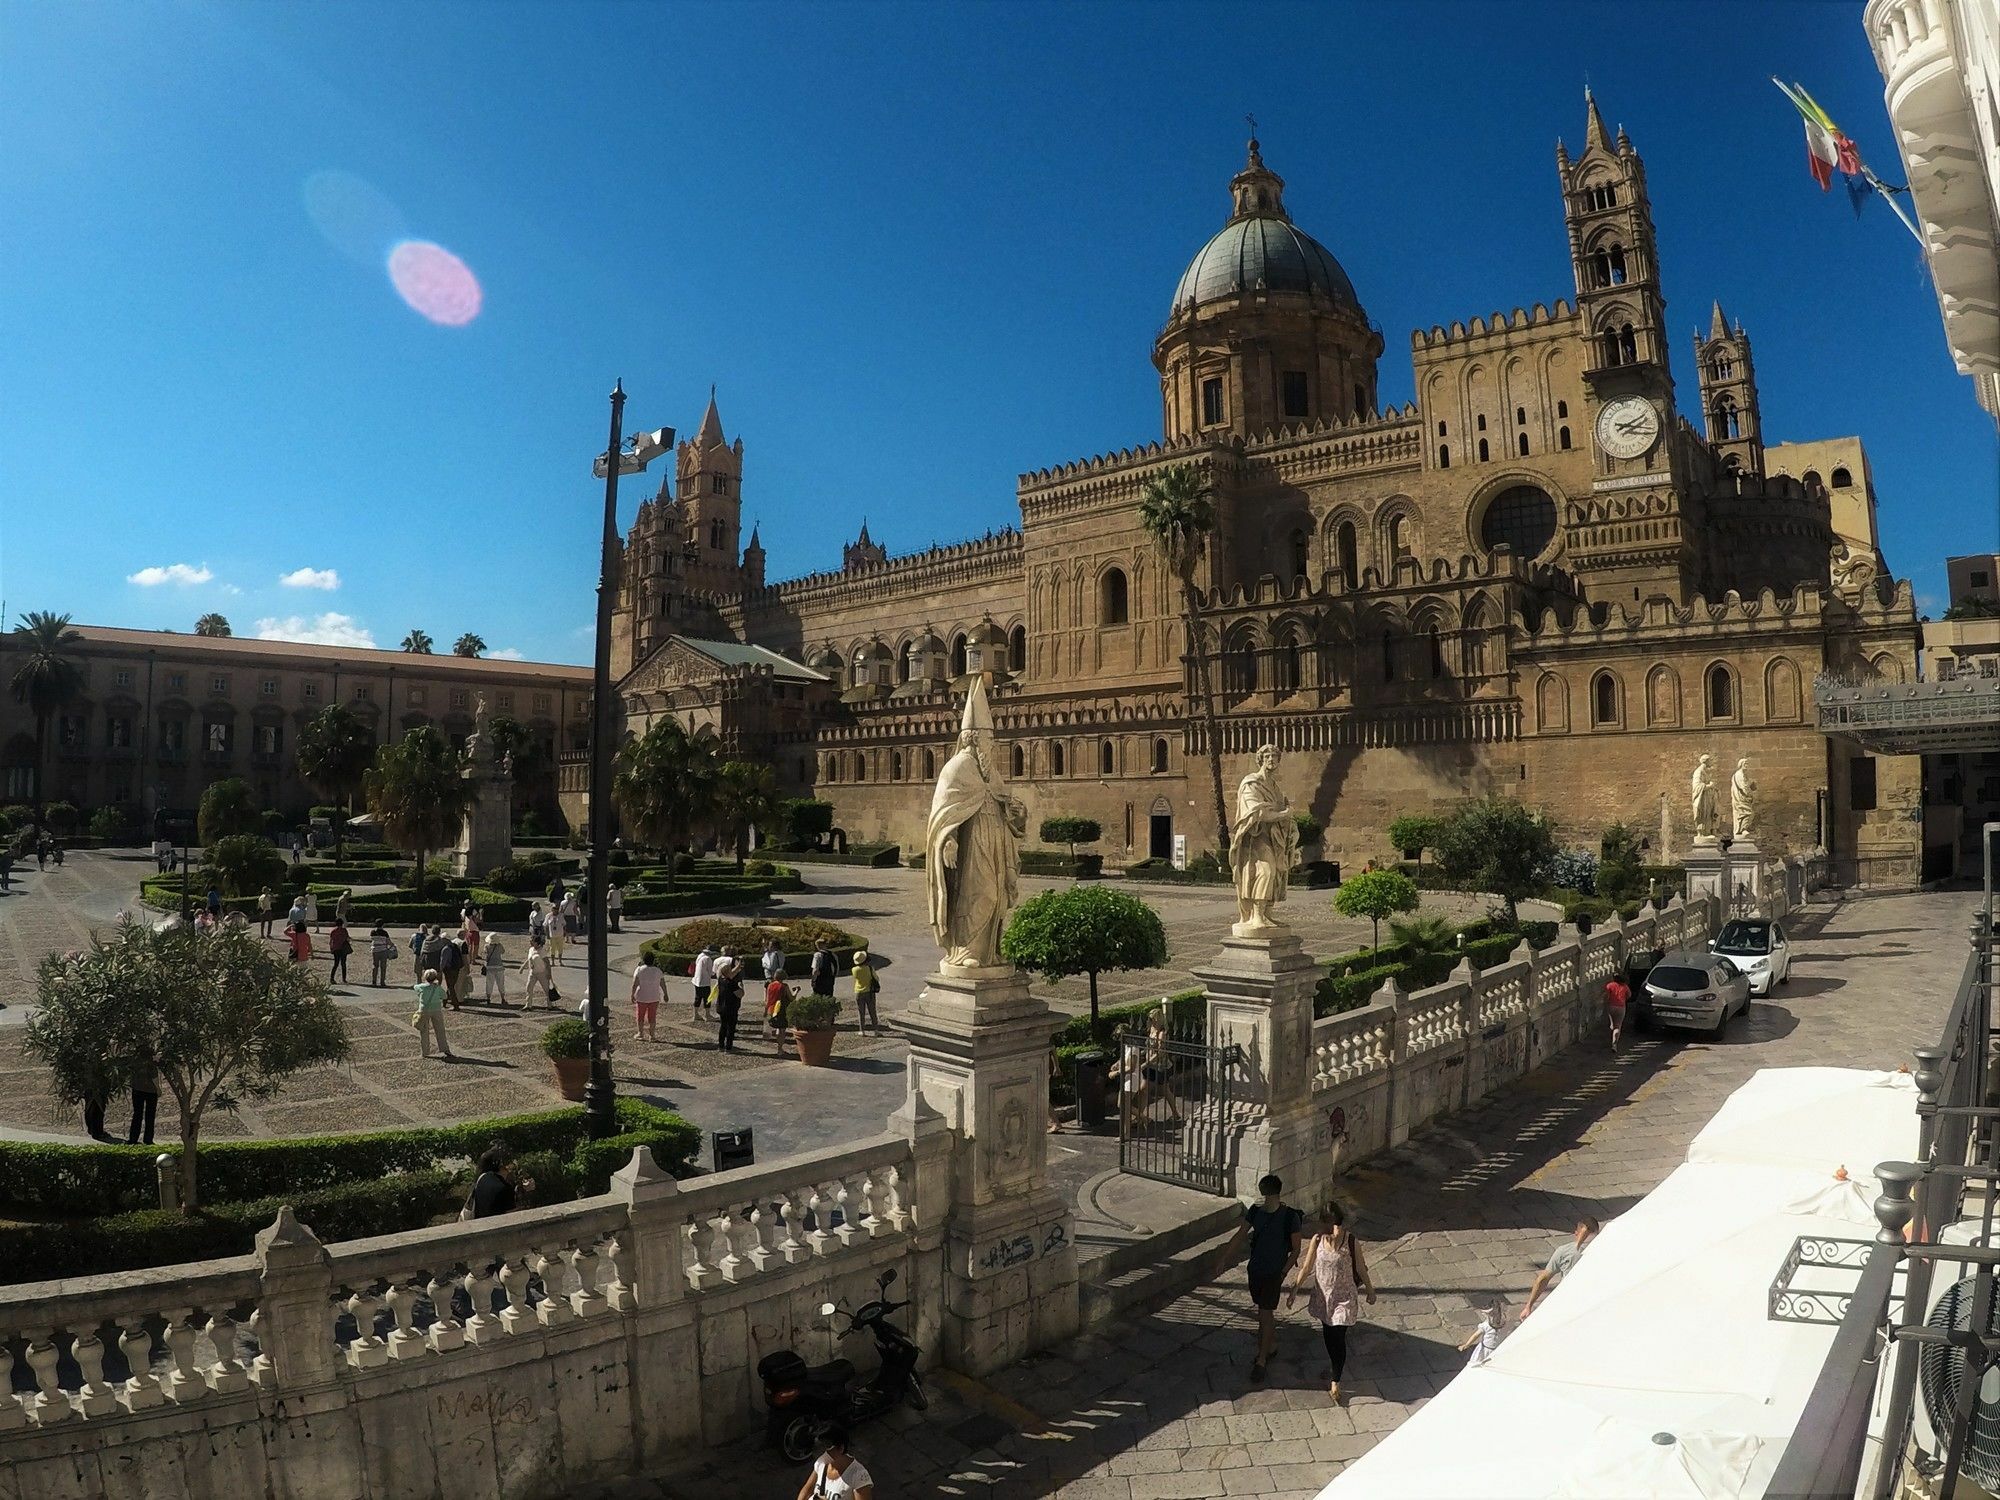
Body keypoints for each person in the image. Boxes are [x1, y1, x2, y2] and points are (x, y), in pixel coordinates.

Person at [1212, 1173, 1305, 1383]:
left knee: (1265, 1313)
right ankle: (1270, 1346)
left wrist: (1283, 1272)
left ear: (1267, 1192)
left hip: (1273, 1272)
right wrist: (1224, 1258)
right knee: (1263, 1313)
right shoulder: (1255, 1212)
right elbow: (1240, 1235)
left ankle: (1261, 1360)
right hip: (1256, 1270)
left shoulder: (1291, 1217)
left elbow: (1296, 1249)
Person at [1286, 1201, 1376, 1400]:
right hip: (1324, 1298)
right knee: (1329, 1336)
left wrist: (1370, 1291)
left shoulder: (1351, 1241)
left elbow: (1361, 1268)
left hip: (1344, 1298)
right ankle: (1335, 1366)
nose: (1331, 1229)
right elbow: (1307, 1267)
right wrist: (1294, 1290)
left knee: (1339, 1336)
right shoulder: (1317, 1240)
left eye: (1334, 1224)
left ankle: (1336, 1379)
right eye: (1327, 1224)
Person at [1521, 1216, 1599, 1319]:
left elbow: (1543, 1279)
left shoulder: (1564, 1251)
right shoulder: (1601, 1252)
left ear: (1576, 1232)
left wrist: (1528, 1306)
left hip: (1568, 1302)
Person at [796, 1427, 873, 1500]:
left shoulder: (858, 1476)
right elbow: (808, 1488)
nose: (821, 1453)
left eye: (826, 1448)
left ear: (841, 1448)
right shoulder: (821, 1463)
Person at [464, 1144, 533, 1219]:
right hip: (497, 1228)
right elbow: (513, 1218)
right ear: (504, 1165)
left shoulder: (483, 1178)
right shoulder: (504, 1189)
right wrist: (527, 1194)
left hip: (479, 1225)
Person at [413, 968, 453, 1060]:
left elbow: (415, 987)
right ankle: (444, 1048)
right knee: (440, 1030)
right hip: (436, 1010)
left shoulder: (421, 987)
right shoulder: (437, 988)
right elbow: (445, 996)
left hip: (424, 1010)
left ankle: (425, 1051)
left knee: (424, 1031)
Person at [1458, 1297, 1505, 1370]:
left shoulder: (1486, 1325)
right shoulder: (1503, 1322)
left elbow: (1475, 1335)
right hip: (1495, 1349)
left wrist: (1467, 1345)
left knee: (1477, 1363)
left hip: (1486, 1349)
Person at [126, 1049, 159, 1146]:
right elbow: (155, 1078)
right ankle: (148, 1139)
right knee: (150, 1116)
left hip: (137, 1090)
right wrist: (158, 1089)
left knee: (137, 1115)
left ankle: (133, 1139)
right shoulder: (151, 1064)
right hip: (151, 1091)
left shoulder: (135, 1063)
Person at [631, 954, 666, 1041]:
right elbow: (663, 984)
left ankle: (640, 1033)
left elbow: (635, 984)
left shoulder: (639, 970)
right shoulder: (658, 971)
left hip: (642, 996)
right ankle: (652, 1035)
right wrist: (665, 994)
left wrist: (632, 994)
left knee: (640, 1016)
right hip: (654, 997)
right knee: (652, 1017)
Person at [714, 952, 744, 1053]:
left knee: (723, 1026)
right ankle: (728, 1047)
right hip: (731, 1008)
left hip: (721, 1007)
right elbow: (740, 994)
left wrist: (738, 966)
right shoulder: (732, 983)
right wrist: (741, 986)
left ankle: (721, 1046)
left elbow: (730, 973)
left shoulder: (720, 979)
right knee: (731, 1028)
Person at [519, 937, 555, 1008]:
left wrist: (549, 973)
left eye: (532, 941)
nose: (530, 942)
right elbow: (529, 959)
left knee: (546, 990)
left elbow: (547, 963)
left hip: (542, 973)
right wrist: (522, 967)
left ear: (537, 943)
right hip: (533, 973)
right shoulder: (531, 949)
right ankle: (528, 1005)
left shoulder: (542, 951)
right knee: (529, 988)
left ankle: (549, 1005)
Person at [850, 949, 880, 1034]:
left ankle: (862, 1030)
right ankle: (876, 1030)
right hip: (869, 992)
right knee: (872, 1011)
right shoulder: (870, 968)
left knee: (861, 1012)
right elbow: (876, 978)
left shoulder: (854, 970)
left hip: (858, 992)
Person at [1603, 973, 1632, 1054]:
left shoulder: (1609, 985)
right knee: (1618, 1026)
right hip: (1621, 1007)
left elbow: (1606, 996)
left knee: (1612, 1023)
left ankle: (1611, 1026)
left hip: (1611, 1006)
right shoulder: (1625, 986)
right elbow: (1629, 995)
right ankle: (1614, 1044)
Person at [437, 930, 465, 1010]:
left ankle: (455, 1005)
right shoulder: (455, 946)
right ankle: (444, 1002)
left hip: (449, 970)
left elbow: (443, 962)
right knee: (450, 986)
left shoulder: (445, 949)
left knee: (451, 987)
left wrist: (440, 971)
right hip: (456, 969)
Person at [692, 943, 719, 1022]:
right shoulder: (708, 959)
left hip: (696, 980)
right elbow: (711, 972)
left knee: (698, 997)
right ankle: (707, 1015)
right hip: (704, 981)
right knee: (707, 998)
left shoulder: (700, 956)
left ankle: (696, 1014)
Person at [482, 932, 509, 1006]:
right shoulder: (499, 946)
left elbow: (485, 953)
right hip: (499, 966)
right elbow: (503, 952)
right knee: (501, 983)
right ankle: (503, 998)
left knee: (489, 983)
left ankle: (488, 998)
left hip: (490, 967)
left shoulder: (486, 946)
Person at [766, 976, 793, 1046]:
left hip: (773, 1009)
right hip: (782, 1009)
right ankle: (780, 1048)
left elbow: (767, 999)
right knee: (782, 1030)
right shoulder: (784, 986)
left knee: (778, 1028)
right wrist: (796, 991)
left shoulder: (770, 985)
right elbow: (792, 998)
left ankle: (778, 1046)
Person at [327, 918, 353, 985]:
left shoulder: (333, 931)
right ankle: (344, 979)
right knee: (343, 964)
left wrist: (331, 948)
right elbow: (347, 938)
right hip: (343, 948)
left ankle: (332, 978)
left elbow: (330, 941)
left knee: (335, 964)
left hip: (336, 949)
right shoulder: (344, 930)